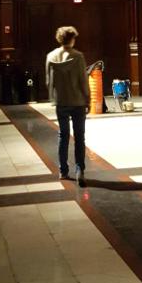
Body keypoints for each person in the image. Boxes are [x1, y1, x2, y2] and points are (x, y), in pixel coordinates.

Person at [46, 25, 89, 185]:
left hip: (61, 102)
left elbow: (48, 80)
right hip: (77, 102)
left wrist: (53, 98)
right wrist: (88, 98)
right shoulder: (78, 56)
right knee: (79, 137)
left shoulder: (51, 56)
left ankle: (63, 171)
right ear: (72, 39)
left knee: (63, 136)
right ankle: (80, 170)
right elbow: (83, 80)